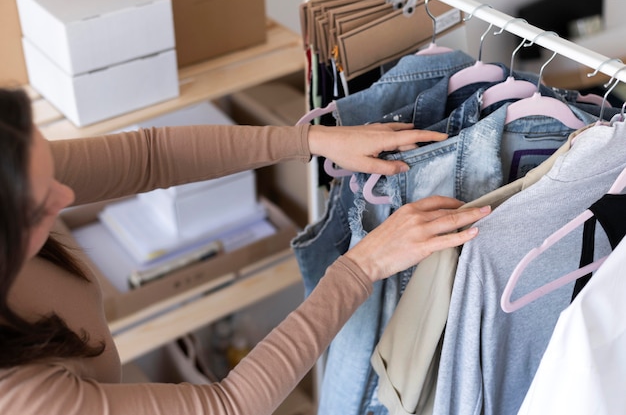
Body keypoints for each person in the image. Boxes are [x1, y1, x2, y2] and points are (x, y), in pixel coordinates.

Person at [0, 87, 491, 414]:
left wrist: (313, 139)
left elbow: (151, 157)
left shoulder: (10, 162)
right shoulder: (21, 395)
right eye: (42, 204)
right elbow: (228, 405)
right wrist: (362, 267)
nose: (65, 198)